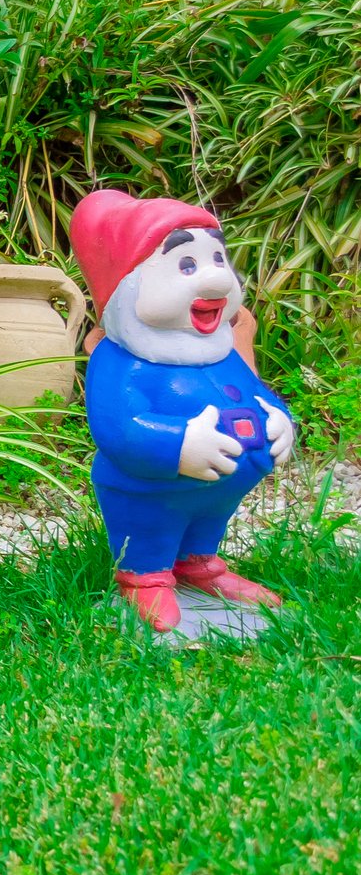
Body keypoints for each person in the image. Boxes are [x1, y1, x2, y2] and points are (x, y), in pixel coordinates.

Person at [71, 191, 295, 632]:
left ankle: (199, 563)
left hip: (220, 486)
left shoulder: (220, 350)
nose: (216, 280)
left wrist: (279, 419)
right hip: (148, 487)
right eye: (186, 265)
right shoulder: (121, 362)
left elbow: (256, 391)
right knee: (151, 524)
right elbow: (119, 428)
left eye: (217, 259)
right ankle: (144, 575)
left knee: (206, 521)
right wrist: (179, 444)